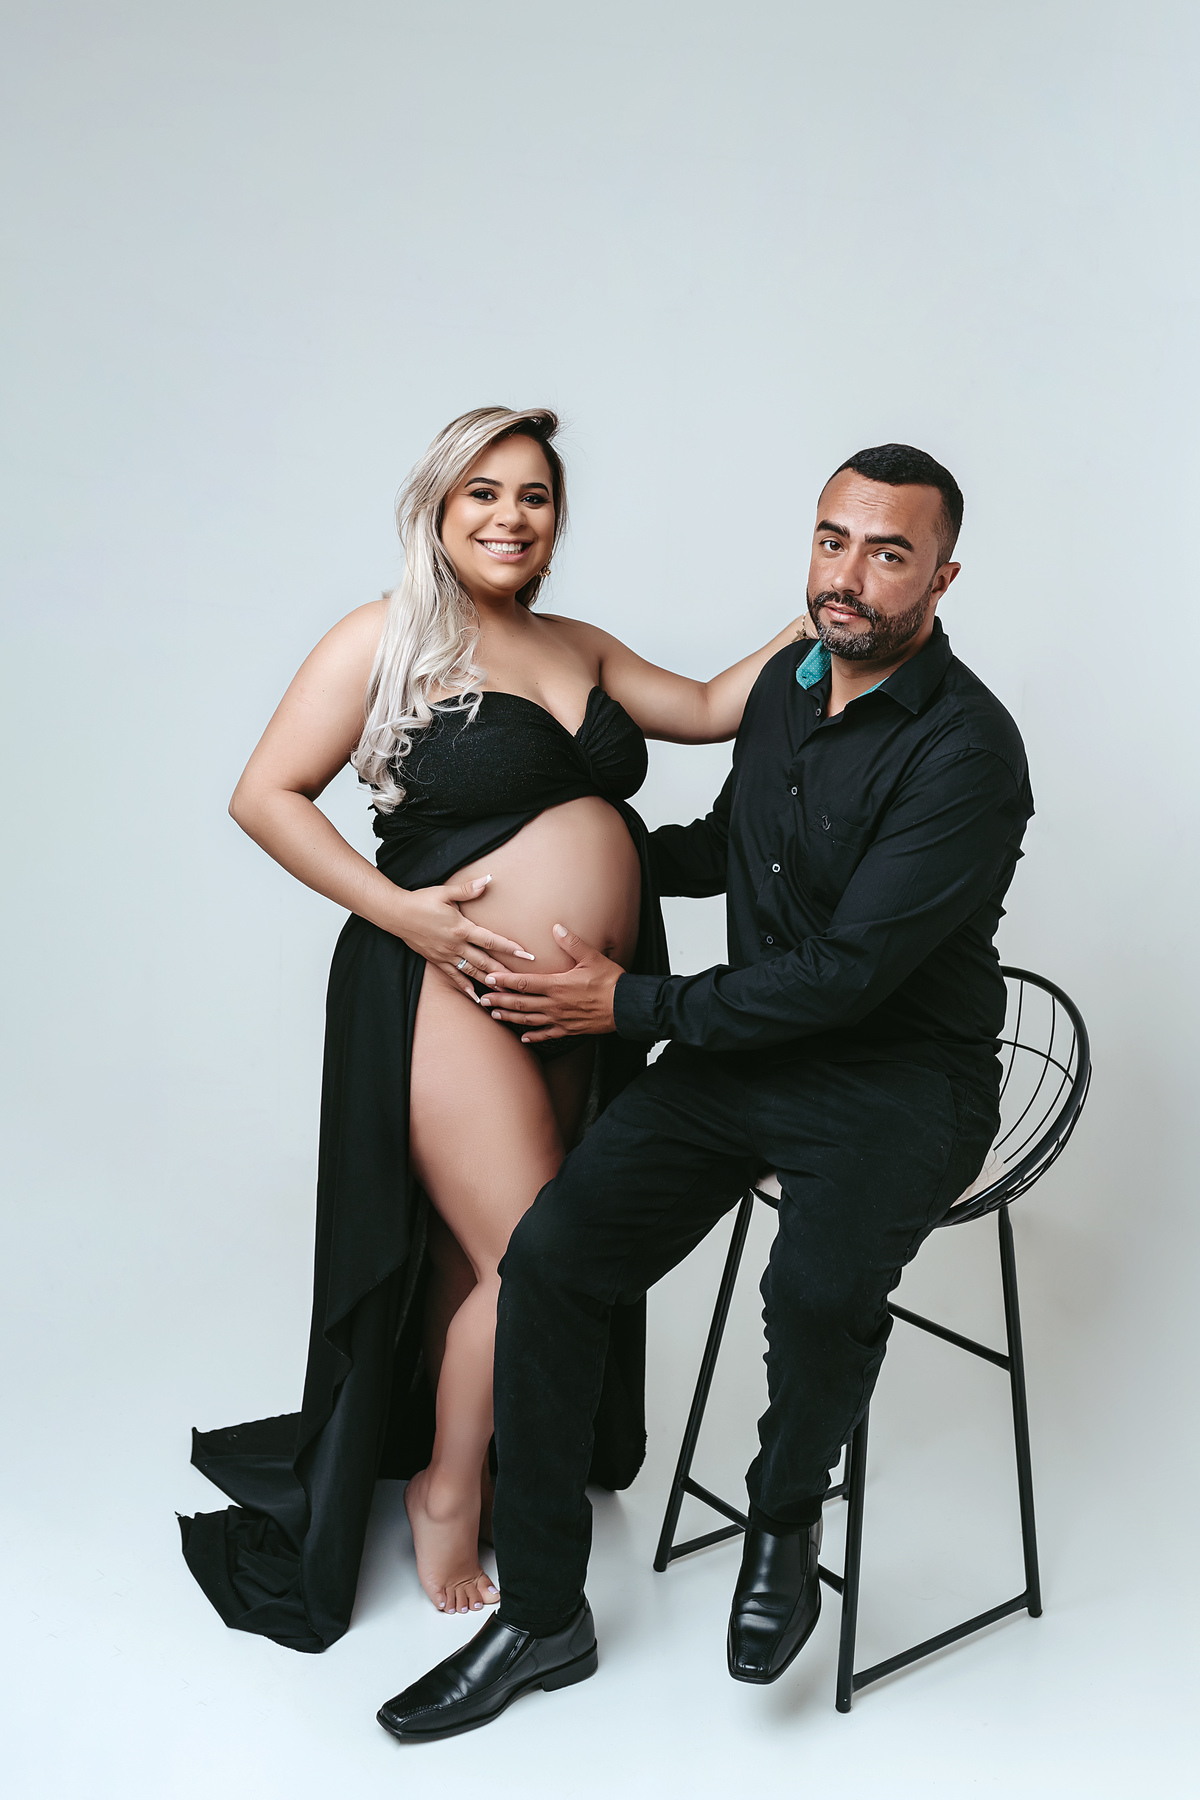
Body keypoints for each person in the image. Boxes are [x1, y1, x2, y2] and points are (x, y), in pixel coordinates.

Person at [377, 442, 1034, 1739]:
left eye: (888, 554)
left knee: (817, 1291)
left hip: (900, 1079)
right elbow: (733, 847)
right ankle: (543, 1616)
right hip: (744, 1058)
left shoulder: (968, 749)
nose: (848, 575)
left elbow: (846, 978)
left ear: (942, 578)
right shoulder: (793, 687)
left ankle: (784, 1519)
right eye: (833, 541)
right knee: (549, 1262)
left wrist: (622, 1002)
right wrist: (561, 844)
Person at [178, 406, 811, 1650]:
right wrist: (403, 914)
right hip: (445, 989)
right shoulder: (383, 638)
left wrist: (826, 612)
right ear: (436, 508)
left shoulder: (580, 645)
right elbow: (266, 795)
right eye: (483, 492)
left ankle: (466, 1446)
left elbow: (704, 706)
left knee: (483, 1261)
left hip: (586, 1008)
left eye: (534, 496)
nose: (510, 517)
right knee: (532, 1249)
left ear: (557, 519)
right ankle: (448, 1491)